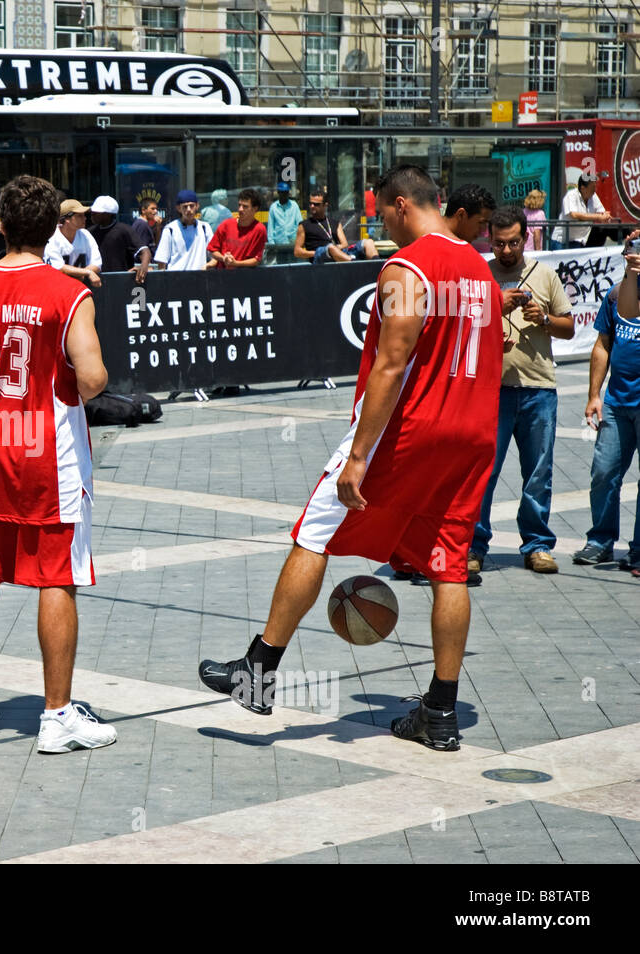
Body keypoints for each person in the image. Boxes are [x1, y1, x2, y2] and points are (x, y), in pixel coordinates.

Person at [199, 164, 503, 752]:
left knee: (313, 534)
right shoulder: (479, 270)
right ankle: (440, 710)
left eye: (382, 214)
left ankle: (257, 674)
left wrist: (359, 455)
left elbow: (392, 363)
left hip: (410, 431)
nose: (383, 226)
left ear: (398, 206)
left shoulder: (406, 266)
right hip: (473, 433)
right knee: (449, 564)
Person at [0, 174, 116, 753]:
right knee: (57, 578)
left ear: (0, 222)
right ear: (51, 229)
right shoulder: (68, 293)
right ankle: (56, 716)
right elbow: (92, 378)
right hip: (48, 453)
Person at [469, 206, 575, 576]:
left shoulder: (544, 275)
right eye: (499, 244)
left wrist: (543, 319)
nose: (507, 250)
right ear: (490, 240)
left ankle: (537, 545)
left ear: (525, 237)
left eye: (513, 242)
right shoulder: (481, 275)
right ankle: (474, 546)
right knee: (483, 472)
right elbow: (466, 329)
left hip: (538, 389)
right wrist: (495, 320)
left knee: (538, 473)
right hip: (493, 390)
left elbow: (568, 327)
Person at [573, 231, 640, 575]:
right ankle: (600, 540)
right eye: (632, 248)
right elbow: (603, 343)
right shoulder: (616, 294)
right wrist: (593, 394)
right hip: (616, 401)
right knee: (604, 472)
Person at [294, 188, 377, 264]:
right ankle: (355, 264)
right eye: (310, 203)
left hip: (339, 252)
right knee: (330, 248)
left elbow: (344, 244)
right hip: (319, 256)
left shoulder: (335, 223)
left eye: (316, 204)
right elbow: (297, 251)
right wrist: (317, 252)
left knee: (368, 242)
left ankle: (376, 265)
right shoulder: (304, 225)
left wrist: (336, 249)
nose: (312, 206)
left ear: (325, 205)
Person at [89, 194, 151, 282]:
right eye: (92, 211)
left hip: (121, 283)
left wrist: (143, 267)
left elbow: (144, 251)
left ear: (108, 214)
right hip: (97, 282)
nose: (92, 214)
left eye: (96, 212)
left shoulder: (124, 230)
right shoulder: (90, 232)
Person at [44, 198, 103, 287]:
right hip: (56, 287)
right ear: (67, 219)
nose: (85, 218)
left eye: (84, 215)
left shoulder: (85, 234)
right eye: (80, 215)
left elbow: (97, 264)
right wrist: (87, 272)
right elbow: (58, 267)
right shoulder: (52, 236)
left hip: (81, 287)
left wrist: (80, 275)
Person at [154, 189, 213, 271]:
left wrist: (208, 265)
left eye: (191, 206)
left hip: (199, 279)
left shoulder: (205, 228)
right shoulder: (170, 229)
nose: (189, 210)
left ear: (197, 206)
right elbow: (161, 260)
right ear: (178, 208)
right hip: (175, 279)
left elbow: (214, 255)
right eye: (185, 207)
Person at [207, 188, 267, 268]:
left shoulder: (260, 229)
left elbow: (256, 259)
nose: (240, 209)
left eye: (245, 206)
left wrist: (236, 263)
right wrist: (224, 258)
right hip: (222, 277)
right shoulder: (226, 224)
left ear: (255, 209)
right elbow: (212, 250)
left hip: (246, 277)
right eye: (239, 205)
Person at [552, 174, 612, 249]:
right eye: (592, 187)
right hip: (561, 241)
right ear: (583, 188)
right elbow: (574, 215)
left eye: (595, 187)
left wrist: (606, 216)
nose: (594, 190)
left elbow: (602, 212)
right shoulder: (571, 195)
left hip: (579, 241)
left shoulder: (593, 196)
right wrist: (598, 217)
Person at [266, 182, 301, 249]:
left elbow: (300, 224)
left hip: (293, 244)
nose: (284, 194)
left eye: (286, 192)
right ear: (278, 193)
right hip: (278, 244)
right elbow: (270, 228)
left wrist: (299, 241)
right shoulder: (273, 207)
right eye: (282, 192)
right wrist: (272, 245)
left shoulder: (294, 205)